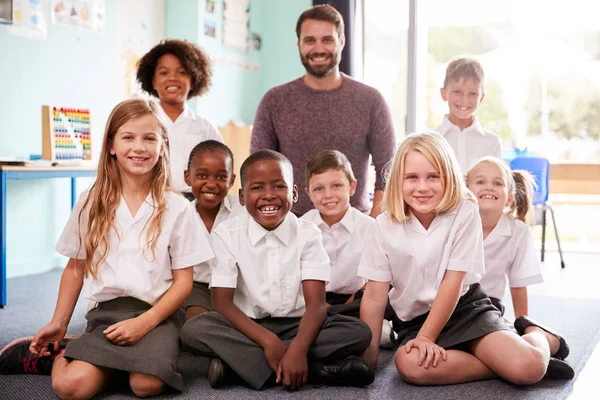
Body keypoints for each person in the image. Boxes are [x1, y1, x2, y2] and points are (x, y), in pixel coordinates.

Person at [0, 99, 213, 398]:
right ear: (111, 145)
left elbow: (183, 283)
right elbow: (76, 268)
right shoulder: (91, 201)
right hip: (106, 314)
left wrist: (143, 323)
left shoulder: (178, 207)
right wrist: (58, 323)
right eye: (128, 137)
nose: (139, 147)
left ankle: (108, 364)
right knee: (71, 388)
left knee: (146, 385)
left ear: (163, 146)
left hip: (157, 316)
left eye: (149, 138)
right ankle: (61, 354)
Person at [358, 131, 573, 386]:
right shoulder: (383, 226)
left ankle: (538, 335)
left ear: (448, 178)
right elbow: (374, 296)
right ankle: (500, 364)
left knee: (529, 369)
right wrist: (368, 360)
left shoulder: (465, 210)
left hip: (466, 310)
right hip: (415, 322)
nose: (423, 187)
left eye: (433, 177)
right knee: (409, 365)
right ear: (397, 181)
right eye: (412, 177)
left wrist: (427, 338)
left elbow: (453, 282)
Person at [180, 150, 375, 391]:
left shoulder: (309, 234)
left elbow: (315, 306)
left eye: (278, 186)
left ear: (293, 192)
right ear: (242, 197)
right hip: (247, 327)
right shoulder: (227, 235)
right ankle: (318, 371)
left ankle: (239, 366)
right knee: (194, 329)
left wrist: (298, 348)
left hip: (298, 325)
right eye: (257, 188)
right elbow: (222, 305)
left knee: (358, 332)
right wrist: (269, 342)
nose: (269, 196)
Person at [251, 4, 395, 217]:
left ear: (342, 42)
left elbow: (388, 170)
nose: (318, 49)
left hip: (354, 230)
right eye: (310, 40)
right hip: (292, 227)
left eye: (327, 40)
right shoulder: (274, 100)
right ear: (299, 44)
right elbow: (258, 169)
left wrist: (374, 224)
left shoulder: (371, 100)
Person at [466, 156, 572, 375]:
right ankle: (528, 356)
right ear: (466, 191)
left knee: (478, 341)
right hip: (453, 304)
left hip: (488, 307)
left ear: (509, 198)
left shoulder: (518, 232)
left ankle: (533, 344)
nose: (489, 187)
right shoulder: (454, 225)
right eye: (480, 182)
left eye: (497, 183)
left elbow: (518, 284)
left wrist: (523, 329)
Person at [301, 150, 396, 347]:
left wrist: (341, 310)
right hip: (313, 301)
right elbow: (295, 278)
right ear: (308, 193)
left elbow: (374, 281)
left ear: (352, 187)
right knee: (298, 312)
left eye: (336, 185)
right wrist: (321, 307)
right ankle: (343, 333)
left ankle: (336, 329)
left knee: (380, 306)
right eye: (319, 189)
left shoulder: (370, 227)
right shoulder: (302, 228)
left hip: (357, 300)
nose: (328, 195)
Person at [137, 39, 222, 199]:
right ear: (153, 81)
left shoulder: (206, 129)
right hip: (151, 199)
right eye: (164, 72)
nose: (172, 78)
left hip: (195, 204)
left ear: (193, 80)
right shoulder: (142, 124)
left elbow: (220, 170)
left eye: (182, 72)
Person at [181, 140, 244, 321]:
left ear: (231, 180)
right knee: (197, 323)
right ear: (188, 177)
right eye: (202, 175)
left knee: (237, 321)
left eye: (220, 177)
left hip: (235, 288)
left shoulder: (243, 212)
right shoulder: (180, 215)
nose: (211, 184)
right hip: (196, 289)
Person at [435, 56, 502, 174]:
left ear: (481, 97)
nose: (464, 100)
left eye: (472, 93)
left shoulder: (492, 143)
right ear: (443, 93)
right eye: (457, 92)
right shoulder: (433, 140)